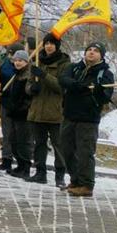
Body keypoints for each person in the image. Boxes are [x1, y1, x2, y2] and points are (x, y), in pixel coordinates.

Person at [59, 41, 115, 197]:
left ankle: (86, 184)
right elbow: (63, 79)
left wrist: (98, 91)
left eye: (96, 50)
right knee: (67, 149)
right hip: (69, 116)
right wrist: (76, 84)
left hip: (88, 119)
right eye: (89, 49)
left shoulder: (105, 74)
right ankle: (75, 180)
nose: (91, 52)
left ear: (101, 56)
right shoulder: (75, 68)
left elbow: (105, 97)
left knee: (85, 152)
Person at [26, 33, 69, 186]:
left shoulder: (65, 64)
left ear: (57, 46)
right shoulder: (38, 61)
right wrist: (32, 88)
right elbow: (28, 85)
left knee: (59, 145)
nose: (48, 46)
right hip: (37, 111)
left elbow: (62, 87)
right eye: (46, 43)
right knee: (39, 144)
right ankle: (40, 172)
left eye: (52, 43)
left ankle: (60, 175)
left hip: (56, 112)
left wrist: (44, 76)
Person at [0, 49, 32, 178]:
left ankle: (25, 167)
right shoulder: (16, 75)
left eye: (21, 61)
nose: (17, 63)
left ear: (26, 62)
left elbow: (29, 95)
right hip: (14, 112)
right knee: (13, 140)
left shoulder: (28, 76)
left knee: (23, 142)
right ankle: (19, 165)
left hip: (24, 113)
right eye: (16, 60)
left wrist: (22, 107)